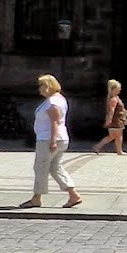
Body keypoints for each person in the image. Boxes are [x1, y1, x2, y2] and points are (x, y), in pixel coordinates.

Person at [21, 74, 82, 208]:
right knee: (55, 167)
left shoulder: (53, 102)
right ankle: (73, 195)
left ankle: (36, 198)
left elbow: (54, 121)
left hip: (48, 138)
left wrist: (53, 141)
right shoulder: (59, 99)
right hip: (59, 138)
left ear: (48, 86)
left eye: (41, 85)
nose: (39, 89)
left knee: (40, 167)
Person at [98, 79, 127, 155]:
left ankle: (98, 146)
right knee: (119, 136)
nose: (119, 90)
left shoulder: (115, 98)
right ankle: (119, 151)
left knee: (112, 136)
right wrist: (109, 120)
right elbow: (112, 111)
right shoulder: (113, 99)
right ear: (113, 90)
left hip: (117, 119)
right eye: (118, 89)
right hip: (116, 120)